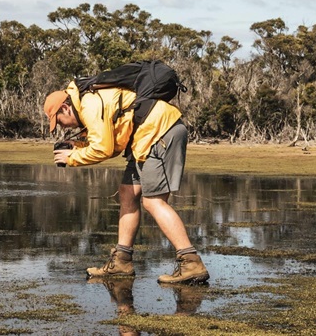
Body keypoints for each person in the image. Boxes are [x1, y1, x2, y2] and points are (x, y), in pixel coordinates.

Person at [43, 80, 209, 284]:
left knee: (153, 201)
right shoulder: (88, 103)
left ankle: (191, 263)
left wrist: (71, 158)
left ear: (66, 108)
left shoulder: (90, 106)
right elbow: (113, 144)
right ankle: (121, 261)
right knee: (127, 193)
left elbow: (103, 149)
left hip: (160, 132)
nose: (61, 126)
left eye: (59, 121)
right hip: (143, 138)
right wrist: (77, 145)